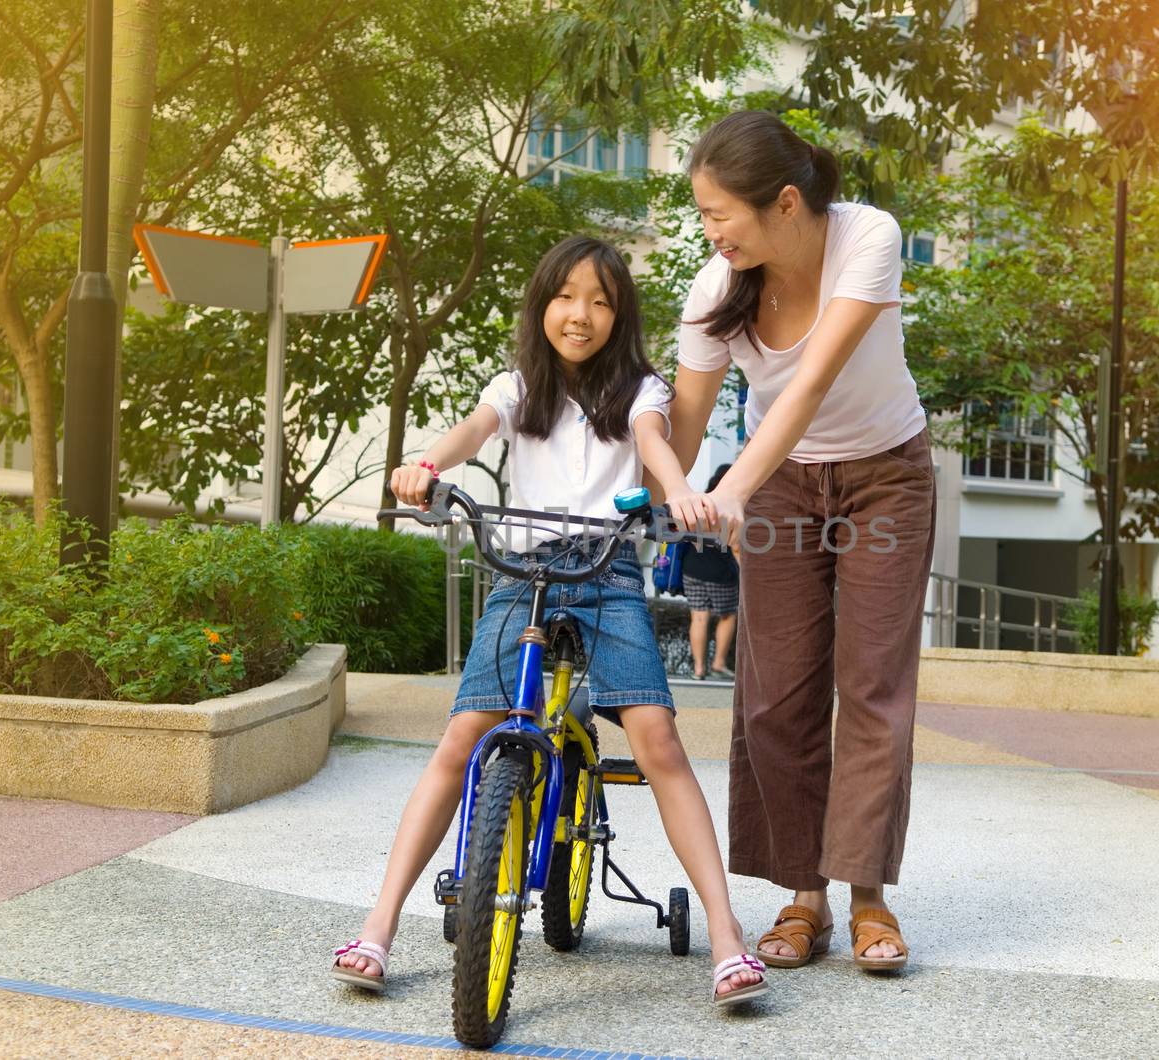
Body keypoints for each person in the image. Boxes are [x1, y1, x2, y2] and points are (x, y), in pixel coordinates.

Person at [331, 235, 768, 1007]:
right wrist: (426, 465)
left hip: (606, 575)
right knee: (463, 737)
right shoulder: (515, 386)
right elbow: (470, 430)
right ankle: (378, 926)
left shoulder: (641, 388)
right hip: (523, 574)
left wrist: (681, 494)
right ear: (542, 306)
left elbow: (653, 447)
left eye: (602, 301)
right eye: (567, 296)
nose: (582, 314)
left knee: (658, 738)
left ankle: (727, 938)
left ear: (619, 316)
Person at [666, 111, 935, 974]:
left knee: (871, 686)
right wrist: (665, 489)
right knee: (775, 694)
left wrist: (730, 490)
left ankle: (865, 897)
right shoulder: (717, 289)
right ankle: (800, 896)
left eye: (720, 215)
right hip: (783, 481)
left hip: (884, 475)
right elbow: (683, 426)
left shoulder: (869, 237)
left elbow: (812, 382)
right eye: (702, 215)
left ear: (785, 203)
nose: (711, 234)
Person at [682, 463, 739, 680]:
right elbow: (735, 546)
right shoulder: (728, 509)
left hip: (692, 570)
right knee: (727, 615)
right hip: (720, 574)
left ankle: (698, 668)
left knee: (698, 618)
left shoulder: (699, 504)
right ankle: (718, 663)